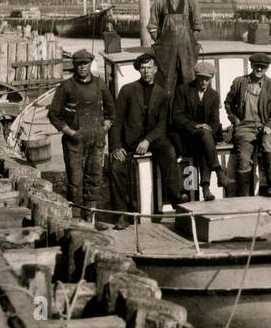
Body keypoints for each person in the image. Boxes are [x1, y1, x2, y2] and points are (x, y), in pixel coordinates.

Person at [108, 52, 183, 224]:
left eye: (149, 67)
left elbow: (162, 124)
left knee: (170, 153)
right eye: (143, 68)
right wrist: (116, 146)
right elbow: (116, 121)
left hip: (154, 140)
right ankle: (122, 213)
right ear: (138, 70)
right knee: (116, 166)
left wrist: (148, 140)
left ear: (155, 69)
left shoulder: (163, 94)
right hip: (129, 142)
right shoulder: (127, 90)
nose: (146, 71)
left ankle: (176, 199)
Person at [46, 48, 113, 218]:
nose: (82, 67)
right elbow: (54, 114)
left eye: (85, 63)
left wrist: (103, 129)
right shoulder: (66, 86)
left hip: (96, 139)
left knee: (94, 178)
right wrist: (69, 132)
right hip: (74, 140)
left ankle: (90, 216)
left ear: (90, 64)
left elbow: (112, 111)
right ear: (74, 66)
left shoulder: (100, 84)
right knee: (75, 180)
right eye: (78, 64)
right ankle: (75, 217)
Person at [224, 51, 271, 197]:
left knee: (268, 143)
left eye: (262, 67)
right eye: (256, 66)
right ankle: (243, 196)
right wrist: (234, 120)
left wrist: (269, 126)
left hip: (265, 125)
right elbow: (228, 103)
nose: (259, 70)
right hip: (245, 128)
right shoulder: (239, 82)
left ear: (266, 69)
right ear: (251, 65)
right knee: (243, 157)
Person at [170, 59, 229, 201]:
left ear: (211, 79)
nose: (203, 83)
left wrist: (209, 129)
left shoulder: (214, 95)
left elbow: (215, 121)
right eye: (201, 79)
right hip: (185, 136)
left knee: (205, 139)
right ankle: (218, 172)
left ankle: (206, 189)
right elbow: (176, 117)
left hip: (203, 138)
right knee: (205, 136)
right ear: (196, 77)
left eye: (207, 80)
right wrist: (196, 125)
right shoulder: (183, 90)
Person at [146, 0, 202, 93]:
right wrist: (160, 43)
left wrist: (190, 44)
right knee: (166, 84)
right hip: (166, 53)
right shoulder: (159, 2)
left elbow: (197, 26)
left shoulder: (191, 2)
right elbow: (152, 27)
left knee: (189, 82)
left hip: (187, 52)